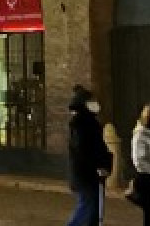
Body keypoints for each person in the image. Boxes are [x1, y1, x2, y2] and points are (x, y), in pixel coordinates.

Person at [66, 86, 112, 226]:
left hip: (90, 174)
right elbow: (84, 150)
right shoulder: (81, 124)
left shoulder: (89, 122)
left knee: (93, 210)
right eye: (92, 101)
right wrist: (98, 165)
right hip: (86, 174)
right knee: (87, 207)